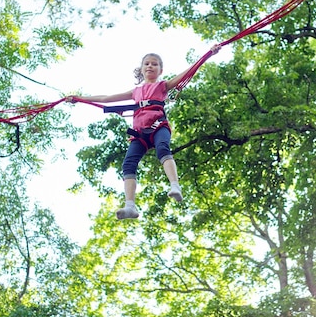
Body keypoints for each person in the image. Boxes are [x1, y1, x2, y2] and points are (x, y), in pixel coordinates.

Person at [67, 44, 220, 219]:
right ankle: (130, 206)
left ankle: (175, 185)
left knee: (163, 148)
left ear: (161, 70)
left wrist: (208, 54)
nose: (150, 66)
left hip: (158, 126)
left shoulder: (163, 85)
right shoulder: (135, 92)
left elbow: (188, 72)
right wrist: (79, 99)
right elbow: (106, 99)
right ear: (141, 69)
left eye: (154, 64)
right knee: (128, 164)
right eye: (147, 63)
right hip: (139, 134)